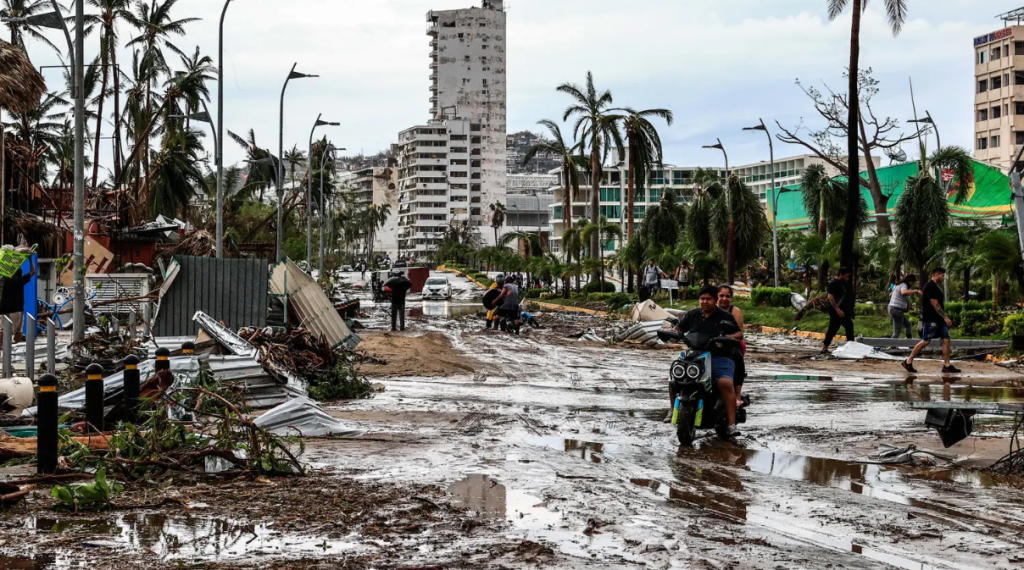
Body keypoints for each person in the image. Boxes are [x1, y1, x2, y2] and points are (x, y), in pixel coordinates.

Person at [667, 285, 743, 437]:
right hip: (695, 354)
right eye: (702, 299)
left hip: (720, 356)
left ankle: (731, 424)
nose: (705, 302)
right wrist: (674, 334)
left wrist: (727, 338)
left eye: (708, 299)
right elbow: (679, 328)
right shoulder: (692, 314)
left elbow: (739, 334)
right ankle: (671, 409)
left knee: (725, 383)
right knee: (674, 378)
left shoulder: (725, 317)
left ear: (715, 300)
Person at [903, 267, 960, 374]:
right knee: (925, 340)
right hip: (931, 319)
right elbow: (935, 305)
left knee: (946, 339)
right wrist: (945, 317)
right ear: (936, 274)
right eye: (942, 276)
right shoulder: (930, 287)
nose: (943, 278)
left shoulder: (936, 287)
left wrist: (943, 319)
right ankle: (908, 361)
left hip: (939, 320)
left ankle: (947, 365)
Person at [718, 285, 746, 408]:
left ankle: (737, 395)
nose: (724, 298)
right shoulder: (709, 309)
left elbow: (740, 333)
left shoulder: (735, 311)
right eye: (721, 295)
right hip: (710, 343)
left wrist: (727, 338)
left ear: (731, 299)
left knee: (737, 357)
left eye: (727, 296)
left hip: (732, 343)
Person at [0, 256, 36, 342]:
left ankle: (1, 346)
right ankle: (16, 346)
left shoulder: (4, 280)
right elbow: (32, 271)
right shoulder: (20, 281)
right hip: (16, 309)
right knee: (17, 331)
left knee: (1, 329)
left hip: (2, 308)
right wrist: (30, 260)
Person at [822, 266, 855, 354]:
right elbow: (830, 297)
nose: (847, 278)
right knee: (832, 329)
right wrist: (837, 309)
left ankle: (850, 346)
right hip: (836, 311)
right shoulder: (833, 283)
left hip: (842, 311)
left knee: (849, 326)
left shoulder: (842, 284)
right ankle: (824, 348)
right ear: (841, 274)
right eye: (846, 276)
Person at [888, 274, 920, 339]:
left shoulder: (898, 286)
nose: (912, 284)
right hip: (896, 310)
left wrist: (907, 306)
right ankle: (892, 345)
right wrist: (916, 291)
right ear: (909, 281)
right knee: (897, 331)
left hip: (893, 308)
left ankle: (909, 340)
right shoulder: (904, 285)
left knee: (908, 325)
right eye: (912, 282)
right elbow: (903, 293)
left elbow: (890, 294)